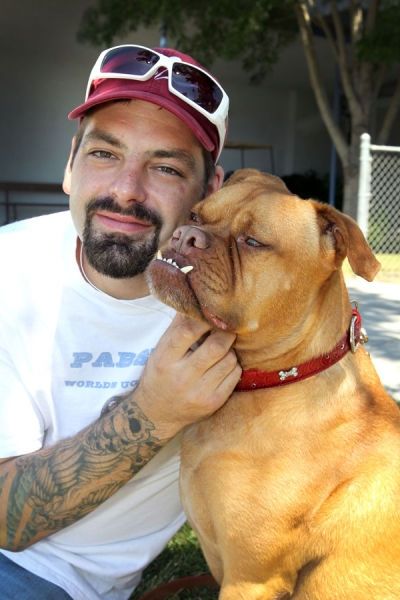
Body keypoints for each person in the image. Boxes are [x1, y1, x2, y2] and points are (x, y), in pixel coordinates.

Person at [0, 44, 241, 600]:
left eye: (165, 167)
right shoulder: (10, 274)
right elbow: (8, 524)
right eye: (105, 155)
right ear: (70, 165)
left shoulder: (233, 305)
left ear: (209, 192)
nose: (126, 191)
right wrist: (155, 411)